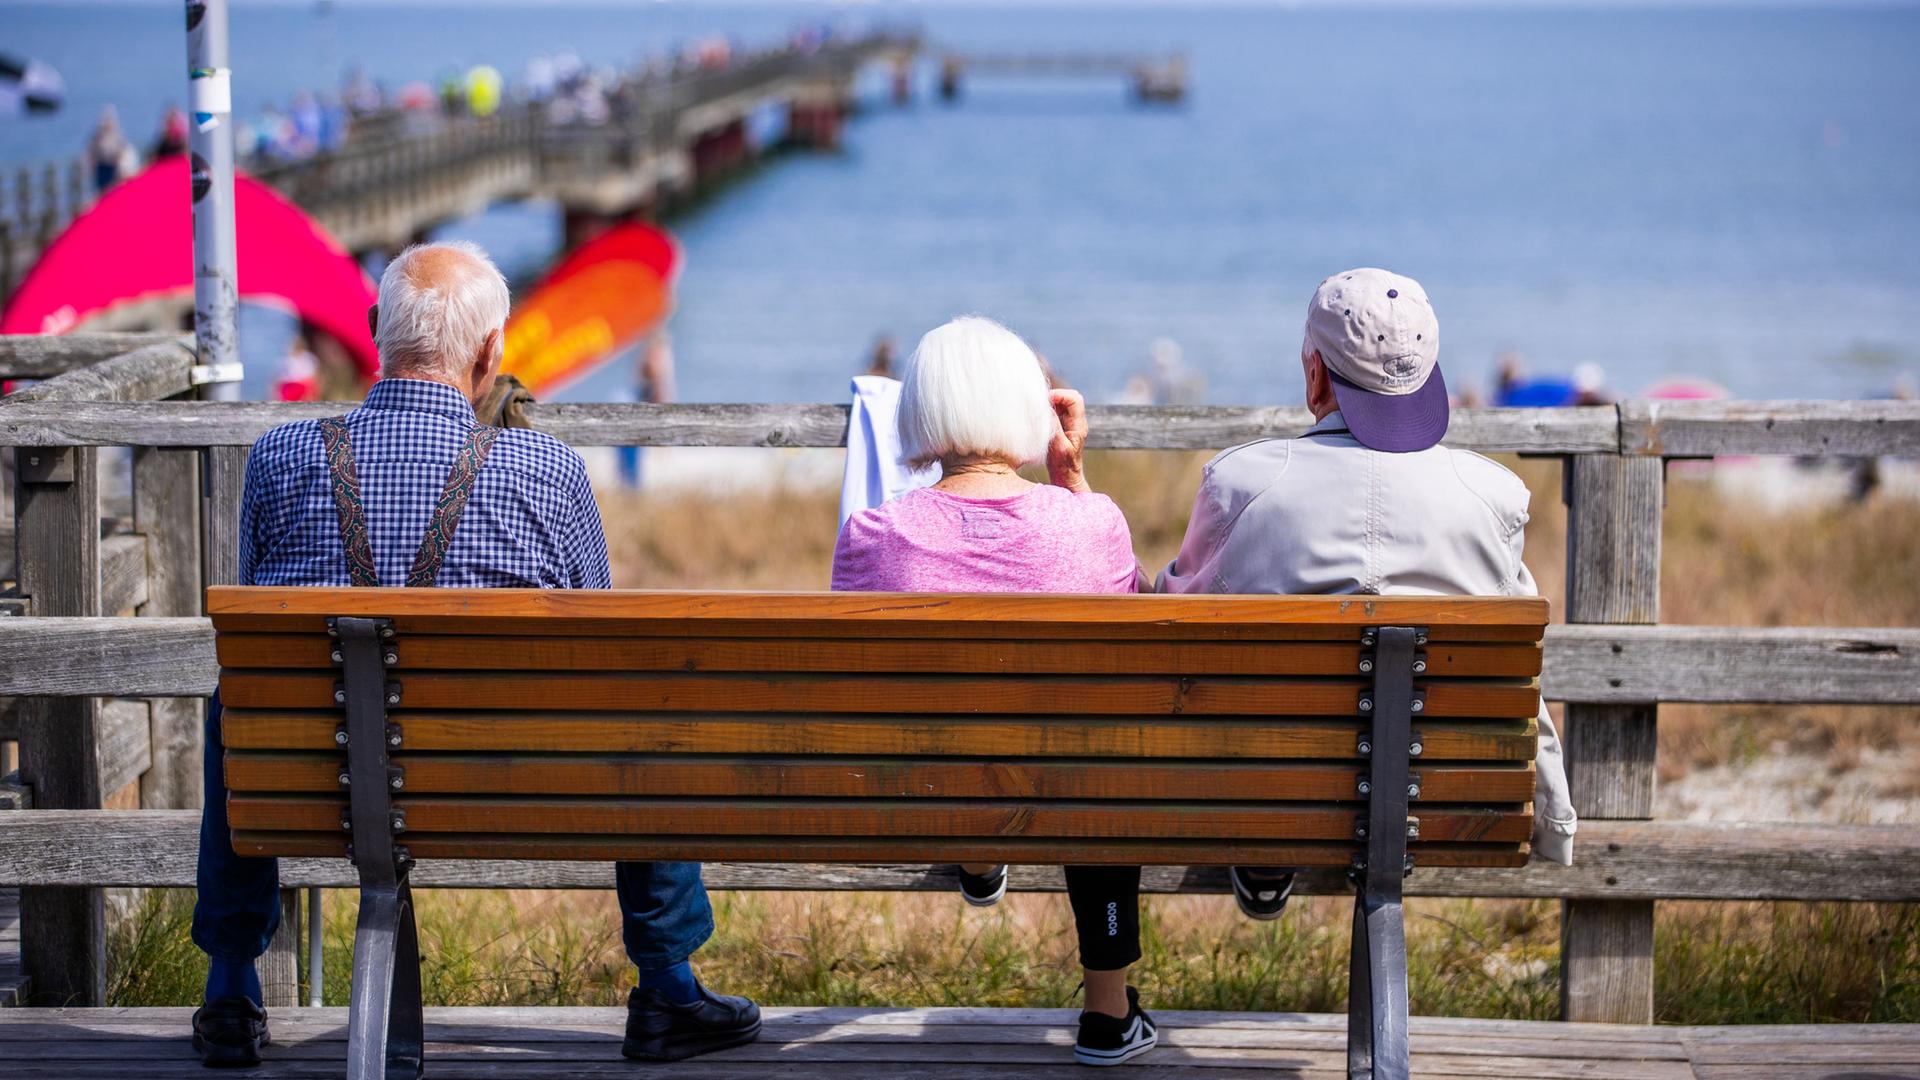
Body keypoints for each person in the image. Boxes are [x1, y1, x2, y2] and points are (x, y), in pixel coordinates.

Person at [191, 242, 760, 1068]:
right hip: (512, 787)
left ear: (377, 330)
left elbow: (261, 632)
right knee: (642, 702)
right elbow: (604, 652)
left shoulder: (278, 460)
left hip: (326, 787)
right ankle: (668, 983)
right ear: (492, 352)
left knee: (239, 703)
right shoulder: (551, 470)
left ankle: (231, 984)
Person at [1158, 268, 1577, 920]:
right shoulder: (1492, 498)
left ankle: (1270, 846)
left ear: (1316, 376)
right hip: (1445, 799)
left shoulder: (1241, 484)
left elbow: (1173, 616)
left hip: (1266, 788)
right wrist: (1554, 817)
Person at [831, 316, 1158, 1067]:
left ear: (922, 411)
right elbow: (1130, 615)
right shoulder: (1091, 524)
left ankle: (979, 850)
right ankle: (1107, 1012)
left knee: (968, 726)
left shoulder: (873, 533)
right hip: (1070, 787)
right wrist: (1071, 477)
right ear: (1031, 411)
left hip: (921, 785)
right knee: (1093, 734)